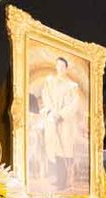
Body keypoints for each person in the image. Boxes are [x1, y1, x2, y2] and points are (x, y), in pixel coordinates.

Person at [40, 56, 80, 190]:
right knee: (55, 149)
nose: (60, 68)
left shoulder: (72, 85)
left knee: (65, 150)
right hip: (53, 119)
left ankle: (66, 180)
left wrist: (61, 114)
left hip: (66, 122)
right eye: (58, 65)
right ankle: (59, 179)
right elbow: (46, 96)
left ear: (66, 68)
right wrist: (51, 112)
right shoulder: (50, 81)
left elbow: (74, 104)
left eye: (62, 66)